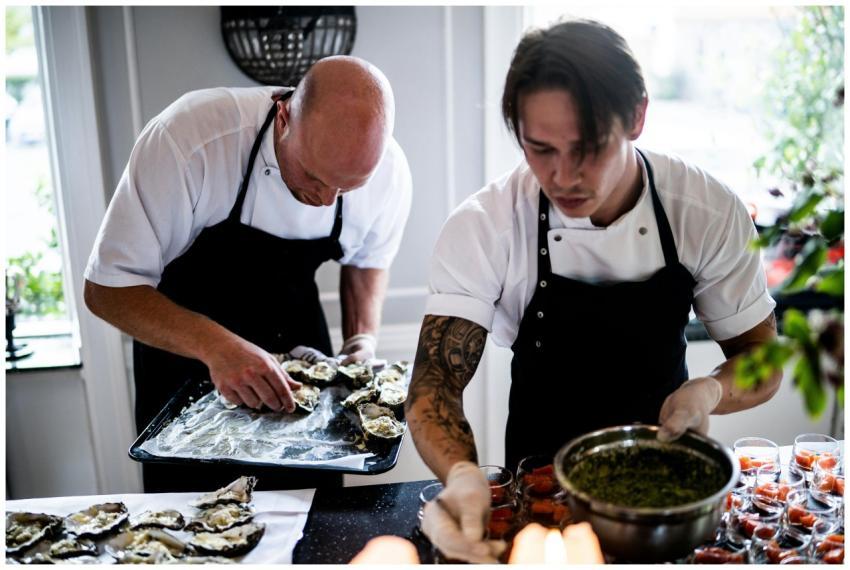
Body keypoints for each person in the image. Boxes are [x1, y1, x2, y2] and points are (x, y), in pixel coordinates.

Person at [408, 20, 781, 563]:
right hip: (539, 498)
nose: (563, 177)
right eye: (541, 149)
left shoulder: (703, 209)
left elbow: (762, 358)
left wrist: (710, 392)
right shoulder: (485, 225)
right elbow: (434, 384)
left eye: (587, 148)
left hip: (663, 497)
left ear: (636, 117)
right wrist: (464, 477)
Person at [84, 56, 412, 492]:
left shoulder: (389, 171)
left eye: (346, 188)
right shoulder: (189, 140)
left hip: (299, 349)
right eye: (314, 176)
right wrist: (218, 347)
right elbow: (107, 289)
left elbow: (367, 259)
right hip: (186, 359)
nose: (325, 199)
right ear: (283, 117)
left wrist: (361, 339)